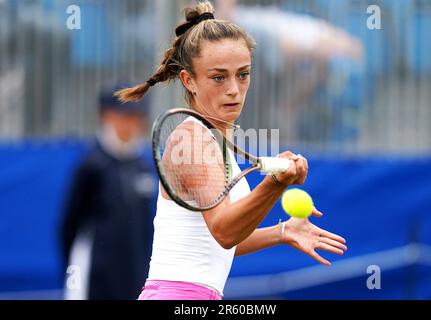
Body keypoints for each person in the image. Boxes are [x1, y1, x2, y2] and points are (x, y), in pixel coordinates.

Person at [115, 1, 347, 300]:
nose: (234, 89)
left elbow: (220, 244)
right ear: (189, 80)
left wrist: (282, 232)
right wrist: (275, 183)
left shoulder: (212, 142)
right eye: (218, 77)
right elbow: (225, 232)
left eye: (243, 74)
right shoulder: (192, 140)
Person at [61, 86, 157, 300]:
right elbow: (69, 228)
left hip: (136, 280)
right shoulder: (91, 166)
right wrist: (73, 282)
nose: (133, 124)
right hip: (95, 283)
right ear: (106, 116)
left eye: (138, 117)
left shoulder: (143, 167)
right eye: (126, 116)